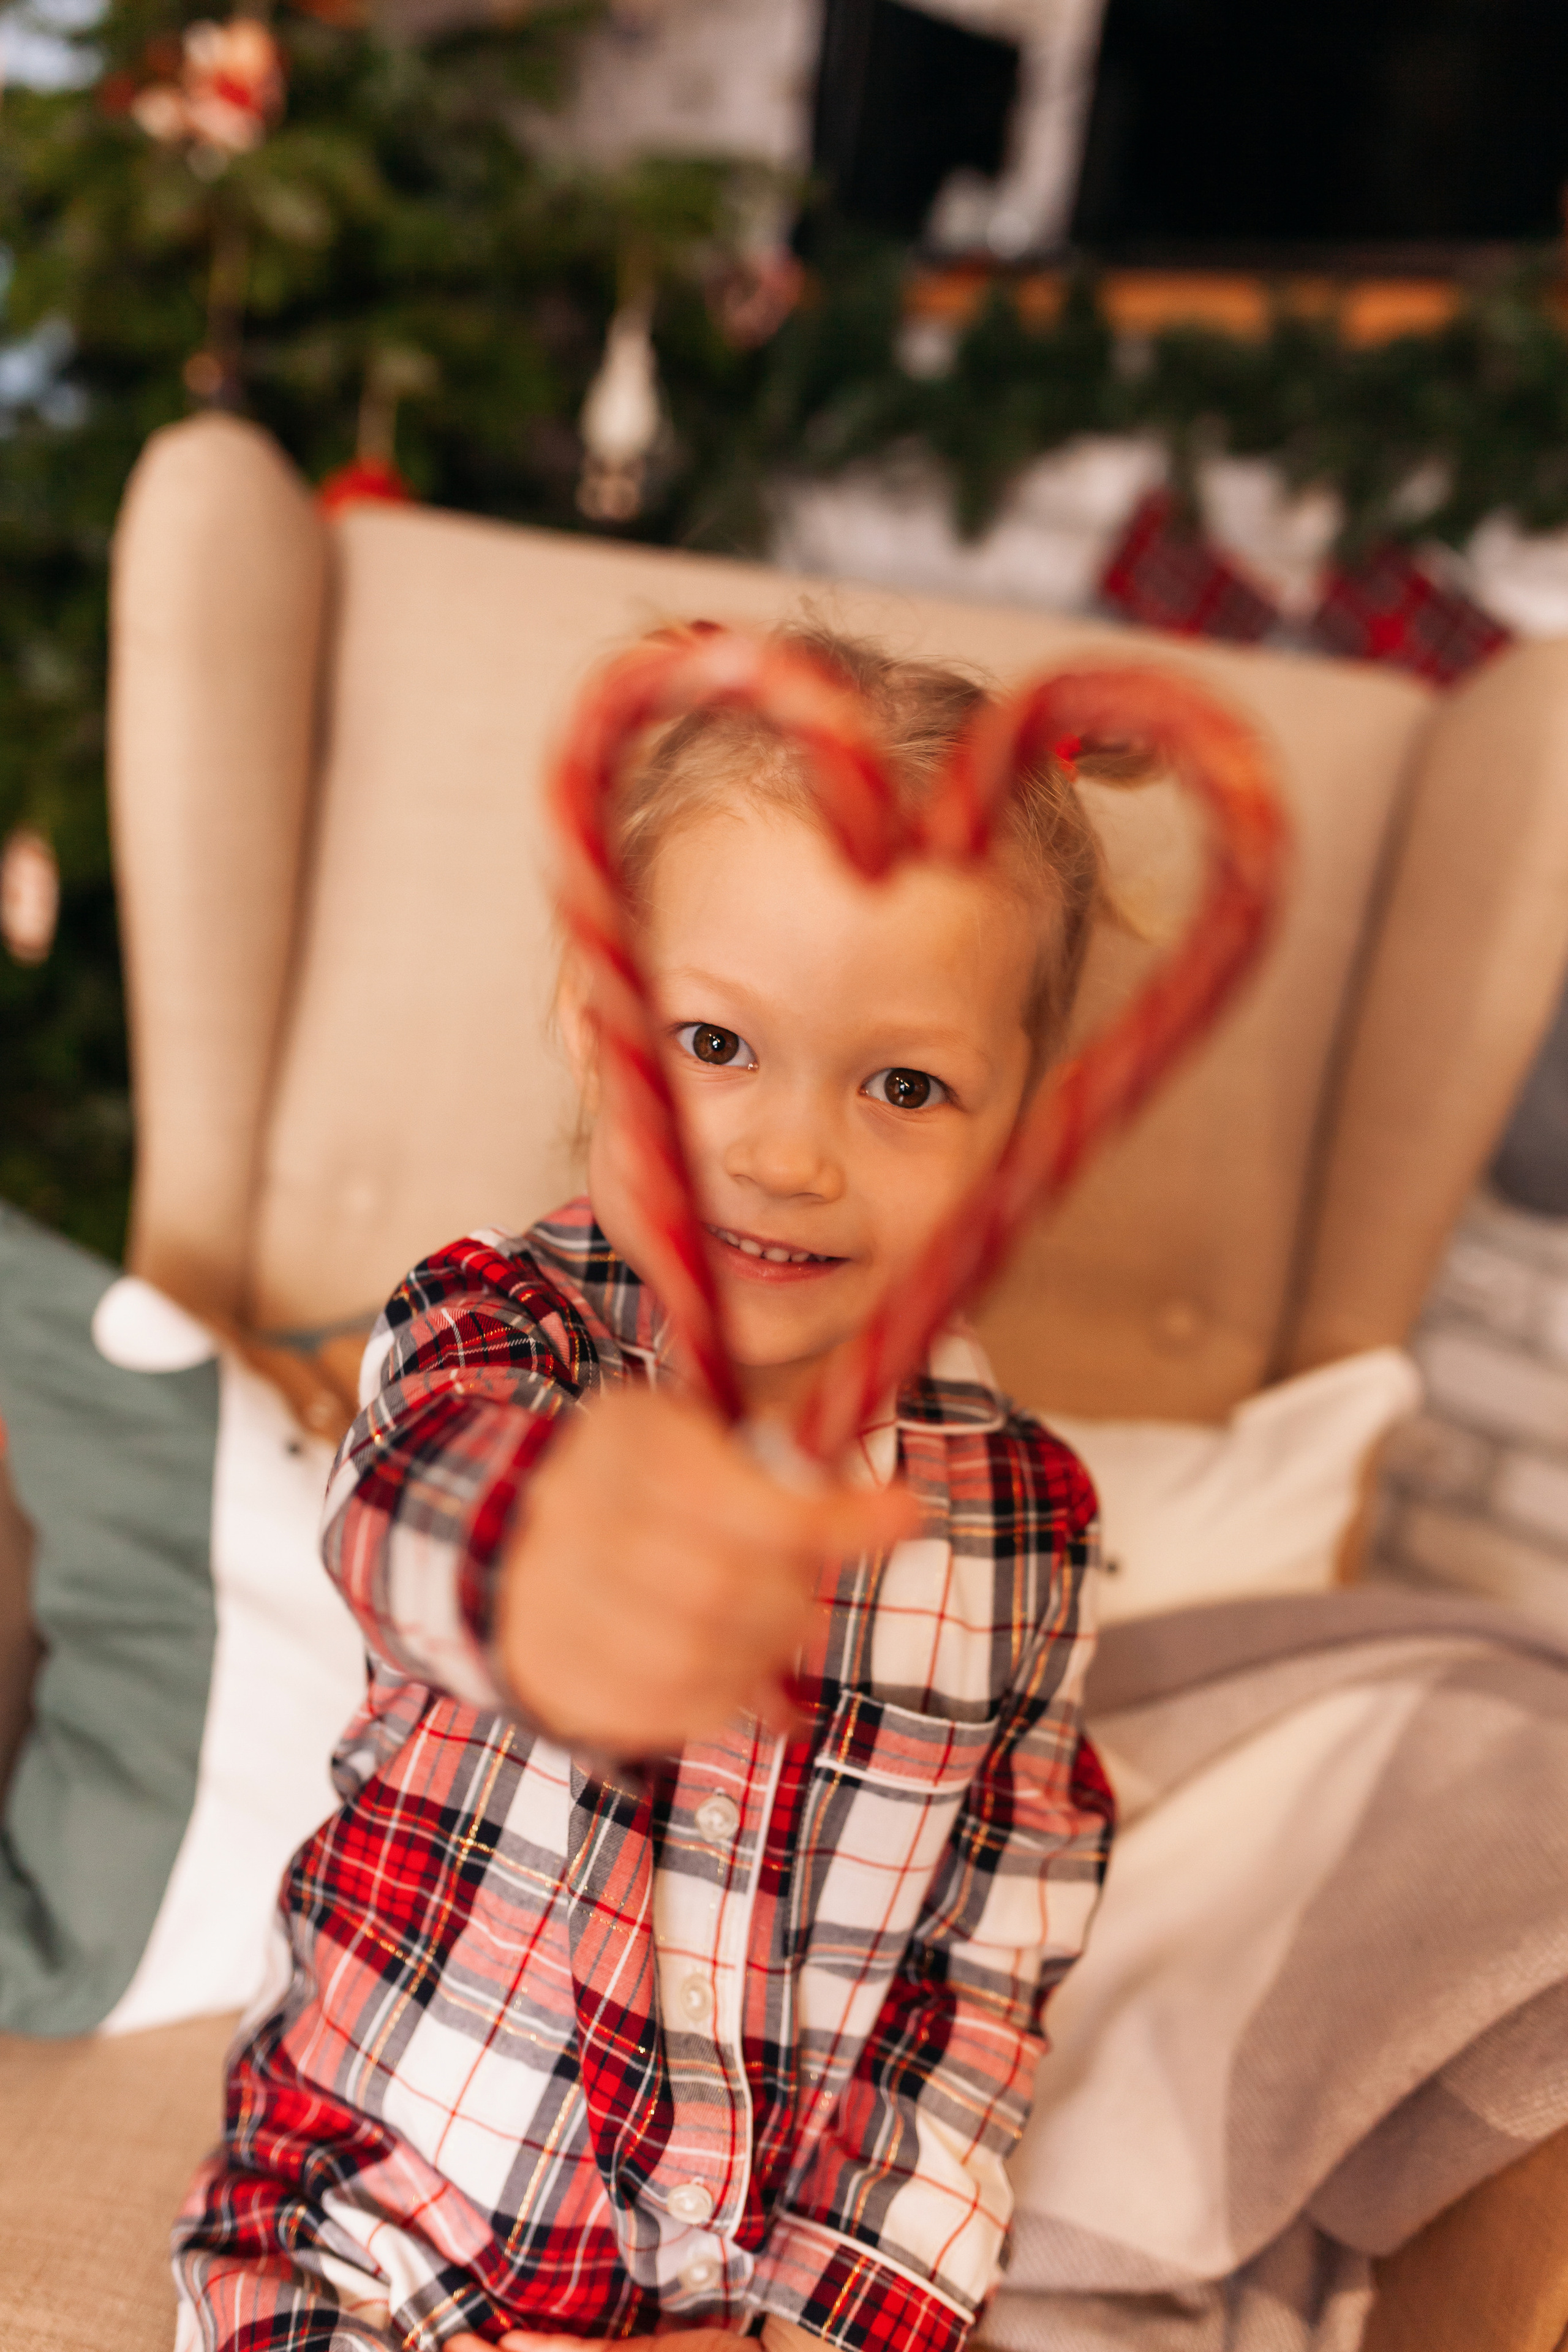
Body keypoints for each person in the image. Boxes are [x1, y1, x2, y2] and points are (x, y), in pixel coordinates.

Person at [172, 623, 1117, 2352]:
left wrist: (832, 2317)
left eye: (905, 1084)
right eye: (716, 1044)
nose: (786, 1151)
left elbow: (976, 1998)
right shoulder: (499, 1337)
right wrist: (545, 1553)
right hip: (374, 2241)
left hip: (741, 2298)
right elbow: (411, 1510)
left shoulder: (1029, 1532)